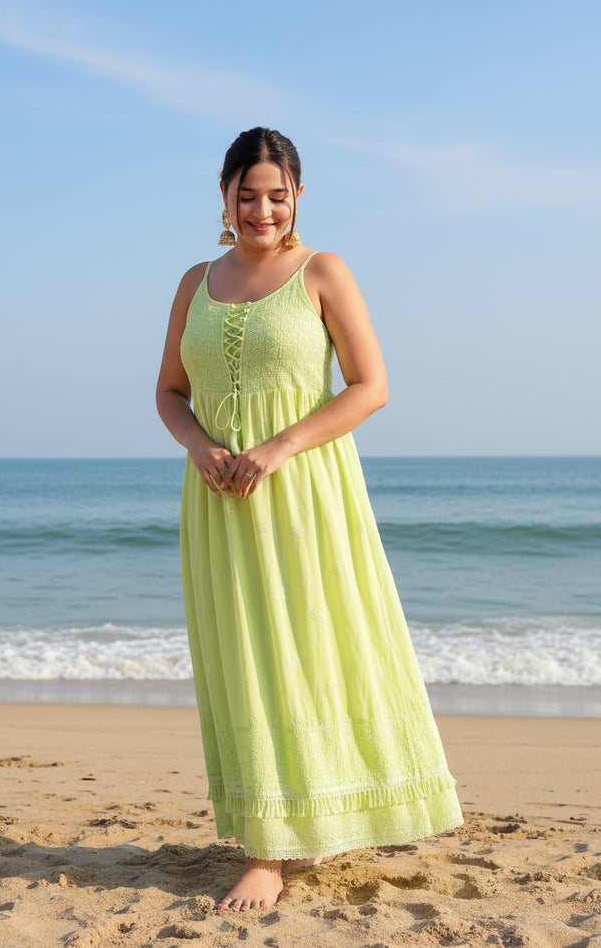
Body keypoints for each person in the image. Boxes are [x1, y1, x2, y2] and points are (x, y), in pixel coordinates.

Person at [156, 127, 463, 912]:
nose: (262, 208)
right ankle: (271, 835)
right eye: (247, 193)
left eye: (277, 194)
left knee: (314, 646)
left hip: (303, 490)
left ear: (297, 197)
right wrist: (199, 448)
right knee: (246, 657)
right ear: (223, 196)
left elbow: (370, 386)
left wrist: (278, 448)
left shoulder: (322, 271)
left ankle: (289, 841)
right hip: (220, 500)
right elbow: (169, 391)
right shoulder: (195, 280)